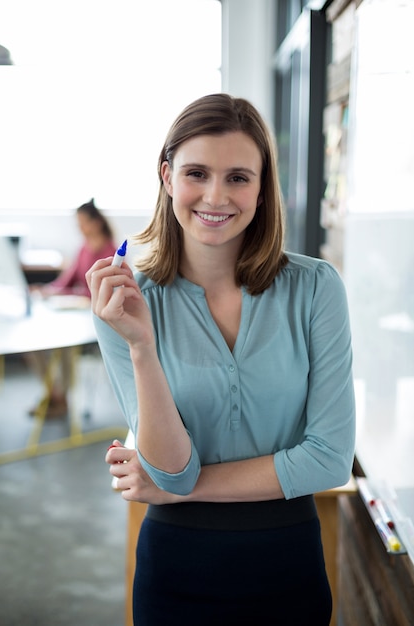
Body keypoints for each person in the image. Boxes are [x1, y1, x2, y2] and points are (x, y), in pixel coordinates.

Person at [86, 94, 356, 625]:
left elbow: (328, 459)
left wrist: (174, 491)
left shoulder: (316, 289)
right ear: (167, 177)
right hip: (175, 574)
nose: (216, 195)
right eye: (196, 173)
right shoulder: (124, 303)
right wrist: (142, 346)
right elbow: (171, 470)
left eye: (237, 177)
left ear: (261, 188)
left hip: (289, 565)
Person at [28, 199, 117, 418]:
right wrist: (45, 290)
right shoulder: (83, 249)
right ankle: (55, 393)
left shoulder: (111, 251)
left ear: (96, 223)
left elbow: (104, 291)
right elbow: (65, 282)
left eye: (82, 223)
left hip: (97, 320)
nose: (79, 228)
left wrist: (78, 296)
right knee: (34, 343)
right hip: (76, 314)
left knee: (65, 344)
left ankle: (60, 398)